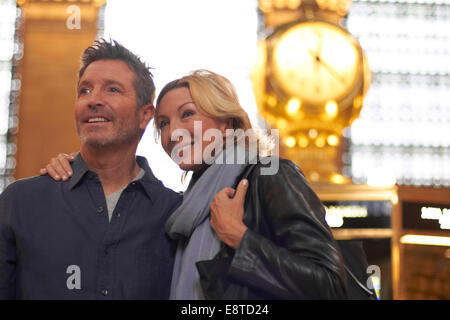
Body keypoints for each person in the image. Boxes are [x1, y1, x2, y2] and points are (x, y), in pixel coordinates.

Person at [44, 69, 348, 299]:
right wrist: (81, 166)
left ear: (226, 123)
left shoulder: (269, 176)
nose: (173, 132)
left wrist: (240, 238)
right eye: (163, 124)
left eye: (187, 114)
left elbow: (331, 285)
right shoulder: (186, 206)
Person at [0, 39, 181, 299]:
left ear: (144, 115)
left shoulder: (174, 215)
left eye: (112, 90)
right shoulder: (19, 203)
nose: (93, 100)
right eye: (84, 91)